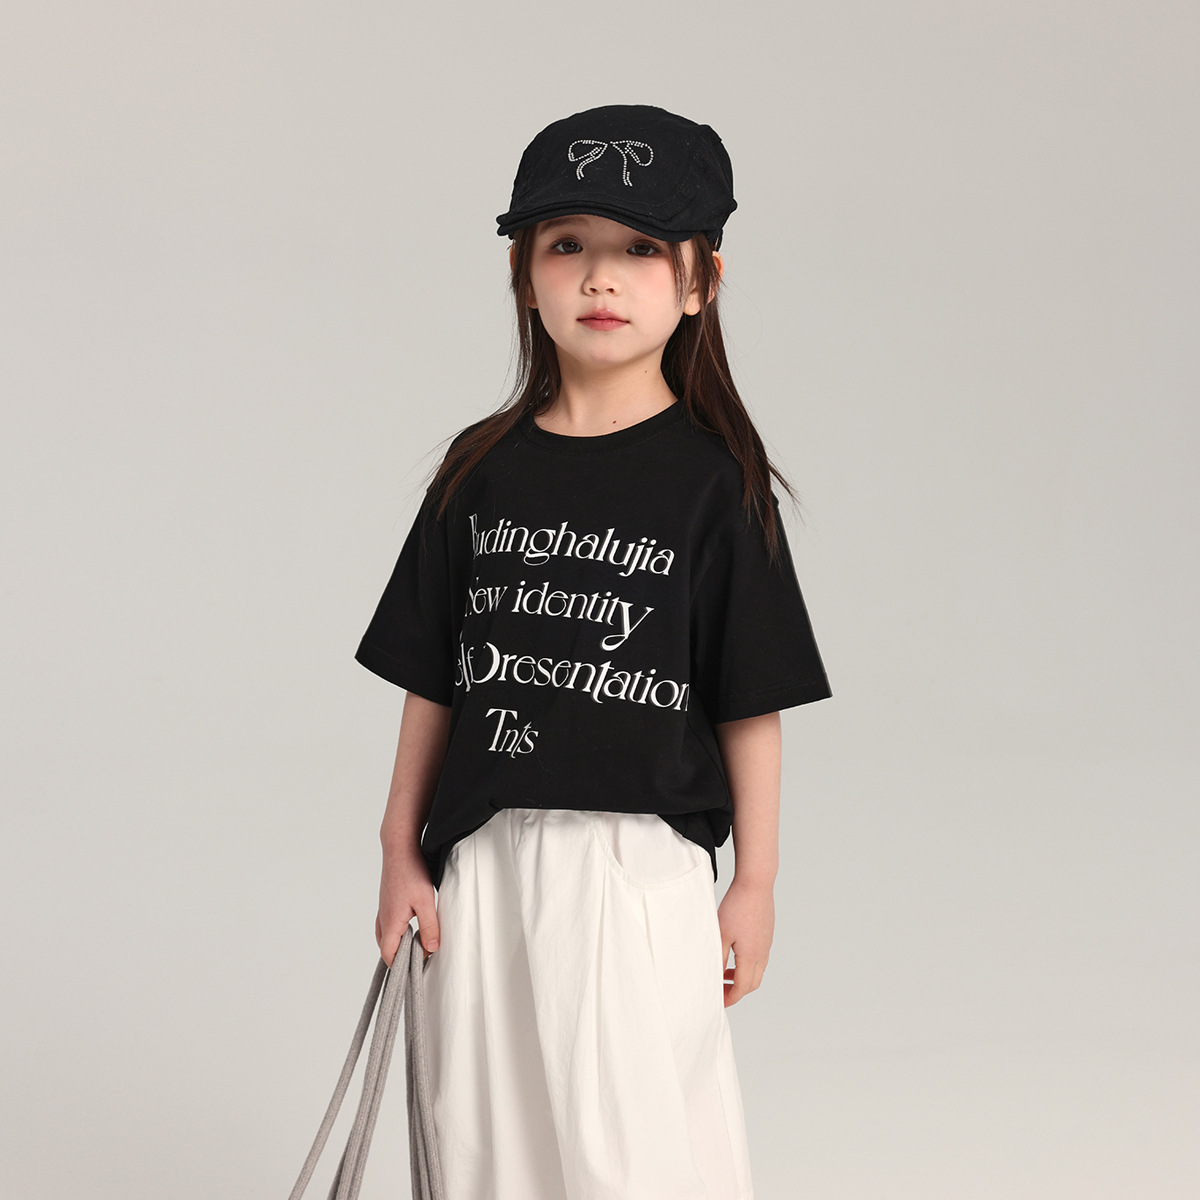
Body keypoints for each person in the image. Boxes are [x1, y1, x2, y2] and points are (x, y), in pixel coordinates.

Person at [355, 103, 832, 1200]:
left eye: (640, 249)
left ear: (701, 281)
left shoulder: (716, 486)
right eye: (567, 244)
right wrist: (399, 849)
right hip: (483, 864)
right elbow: (434, 676)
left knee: (631, 1146)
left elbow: (747, 700)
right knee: (487, 1139)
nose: (601, 278)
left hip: (634, 871)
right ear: (524, 275)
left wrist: (756, 882)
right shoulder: (478, 471)